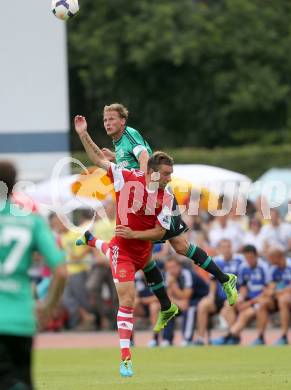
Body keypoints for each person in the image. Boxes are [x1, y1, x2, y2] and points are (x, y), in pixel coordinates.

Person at [74, 104, 238, 322]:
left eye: (112, 119)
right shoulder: (120, 144)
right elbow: (106, 159)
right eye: (105, 120)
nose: (108, 123)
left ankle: (224, 279)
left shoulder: (130, 135)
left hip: (154, 197)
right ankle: (168, 306)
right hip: (141, 201)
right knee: (145, 257)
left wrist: (145, 190)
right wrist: (99, 145)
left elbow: (144, 158)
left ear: (123, 121)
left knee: (179, 246)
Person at [74, 123, 177, 377]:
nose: (169, 179)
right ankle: (126, 358)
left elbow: (160, 233)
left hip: (143, 249)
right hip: (124, 250)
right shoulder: (127, 177)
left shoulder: (168, 197)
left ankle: (91, 239)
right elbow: (98, 158)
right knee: (127, 300)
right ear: (152, 173)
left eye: (170, 174)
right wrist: (82, 134)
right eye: (166, 174)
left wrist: (135, 234)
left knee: (115, 252)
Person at [0, 161, 67, 390]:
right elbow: (60, 270)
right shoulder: (31, 221)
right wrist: (49, 306)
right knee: (19, 380)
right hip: (20, 317)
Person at [252, 246, 291, 345]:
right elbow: (270, 287)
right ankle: (260, 337)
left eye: (270, 258)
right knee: (263, 303)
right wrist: (273, 292)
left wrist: (276, 292)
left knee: (283, 300)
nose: (268, 260)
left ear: (277, 257)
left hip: (288, 298)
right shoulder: (272, 268)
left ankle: (284, 337)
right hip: (278, 297)